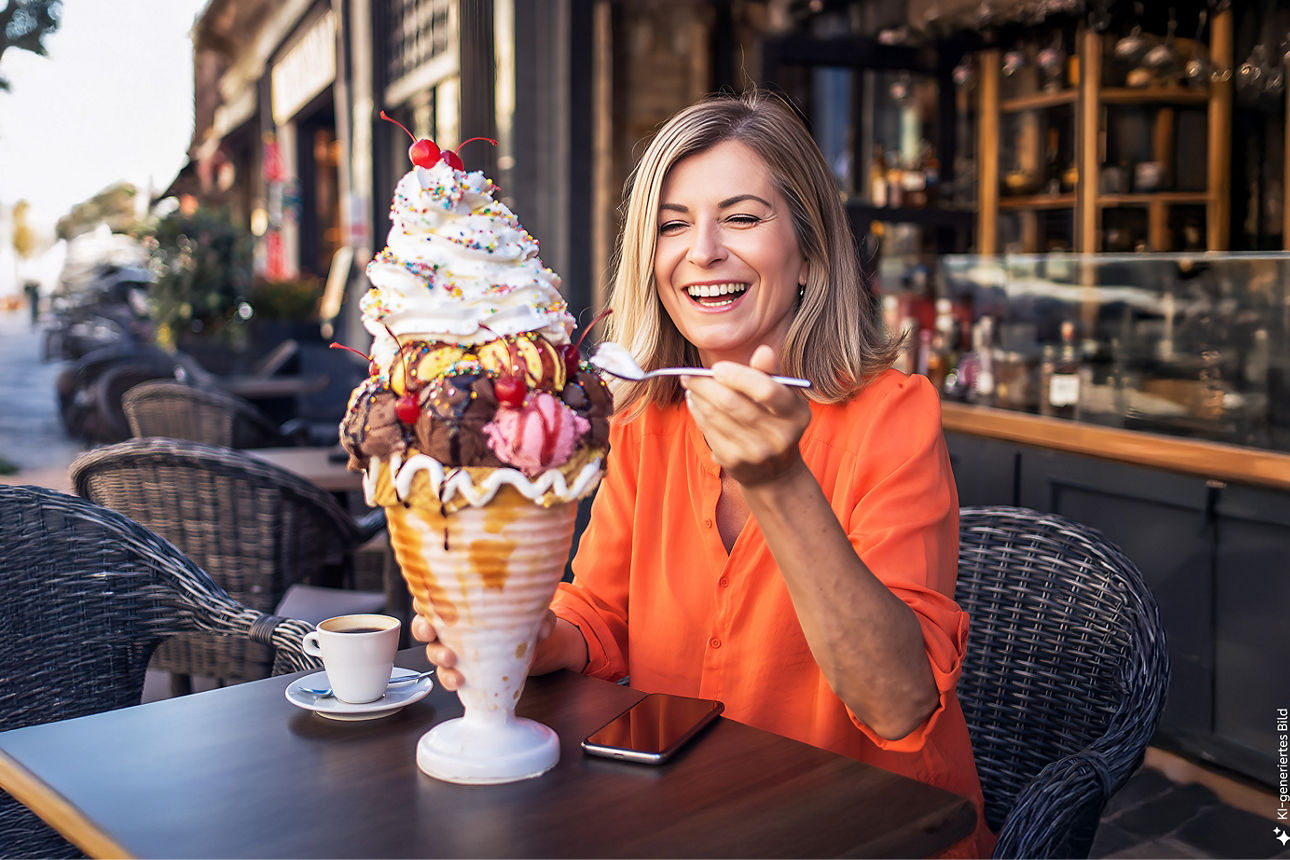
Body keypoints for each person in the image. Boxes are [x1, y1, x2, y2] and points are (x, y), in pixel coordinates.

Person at [413, 89, 994, 857]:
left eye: (744, 218)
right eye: (672, 225)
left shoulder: (893, 415)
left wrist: (781, 483)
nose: (704, 251)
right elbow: (601, 615)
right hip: (681, 823)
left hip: (872, 833)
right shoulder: (648, 416)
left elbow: (898, 704)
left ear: (811, 251)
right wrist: (536, 637)